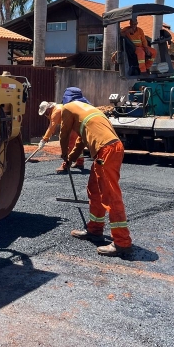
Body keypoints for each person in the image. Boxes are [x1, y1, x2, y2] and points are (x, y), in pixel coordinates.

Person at [59, 100, 132, 257]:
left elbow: (64, 133)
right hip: (108, 150)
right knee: (94, 189)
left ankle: (122, 242)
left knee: (110, 195)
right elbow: (80, 140)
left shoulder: (66, 109)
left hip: (107, 150)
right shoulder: (86, 112)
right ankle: (95, 229)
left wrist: (63, 152)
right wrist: (70, 159)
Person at [38, 101, 84, 172]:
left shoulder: (56, 111)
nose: (45, 115)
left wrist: (44, 139)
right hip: (75, 124)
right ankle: (80, 162)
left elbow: (51, 126)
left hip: (73, 125)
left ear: (48, 109)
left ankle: (66, 165)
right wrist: (49, 135)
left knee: (68, 144)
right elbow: (53, 126)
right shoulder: (56, 108)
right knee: (75, 143)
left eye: (45, 113)